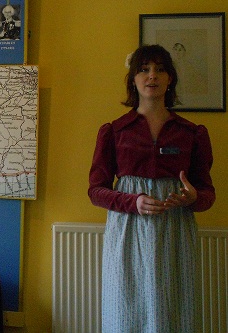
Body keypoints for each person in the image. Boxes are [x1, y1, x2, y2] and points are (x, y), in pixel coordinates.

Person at [88, 44, 215, 332]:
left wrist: (193, 198)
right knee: (126, 312)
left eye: (160, 69)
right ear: (133, 79)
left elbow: (207, 194)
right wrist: (133, 202)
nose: (152, 75)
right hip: (127, 234)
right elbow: (96, 190)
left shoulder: (191, 133)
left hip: (175, 233)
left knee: (174, 312)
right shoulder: (115, 131)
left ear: (170, 78)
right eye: (144, 69)